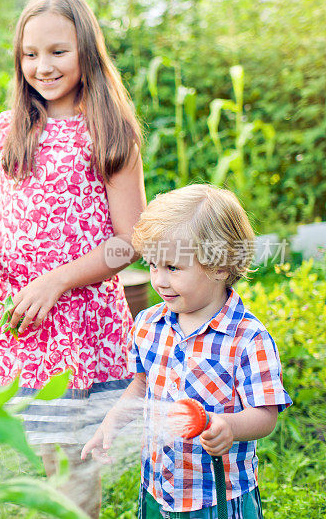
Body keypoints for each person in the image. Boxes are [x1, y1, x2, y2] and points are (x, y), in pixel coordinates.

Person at [0, 0, 146, 516]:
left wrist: (57, 280)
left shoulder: (108, 133)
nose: (43, 66)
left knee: (75, 461)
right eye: (30, 54)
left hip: (78, 324)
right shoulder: (4, 130)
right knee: (39, 452)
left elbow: (130, 241)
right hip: (21, 321)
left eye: (58, 51)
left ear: (86, 50)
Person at [81, 184, 292, 518]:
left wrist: (228, 425)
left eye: (173, 268)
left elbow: (266, 415)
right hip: (157, 486)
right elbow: (141, 386)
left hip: (216, 496)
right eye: (153, 265)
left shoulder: (248, 338)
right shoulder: (148, 324)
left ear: (221, 265)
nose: (159, 280)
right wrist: (111, 422)